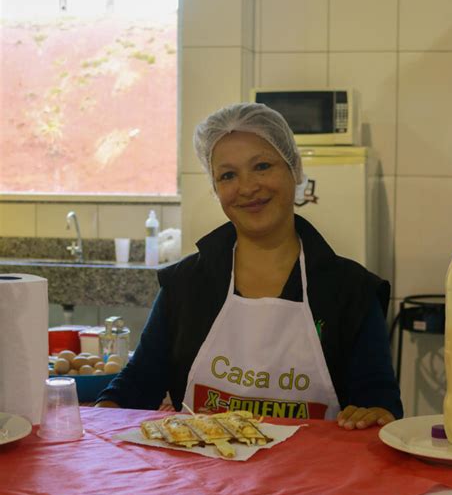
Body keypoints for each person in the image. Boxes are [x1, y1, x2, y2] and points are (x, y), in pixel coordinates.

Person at [97, 102, 403, 429]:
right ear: (216, 189)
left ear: (294, 170)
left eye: (262, 166)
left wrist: (374, 414)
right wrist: (96, 422)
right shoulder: (186, 285)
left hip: (311, 477)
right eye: (228, 175)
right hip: (203, 475)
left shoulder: (350, 291)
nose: (247, 187)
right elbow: (137, 385)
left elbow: (379, 403)